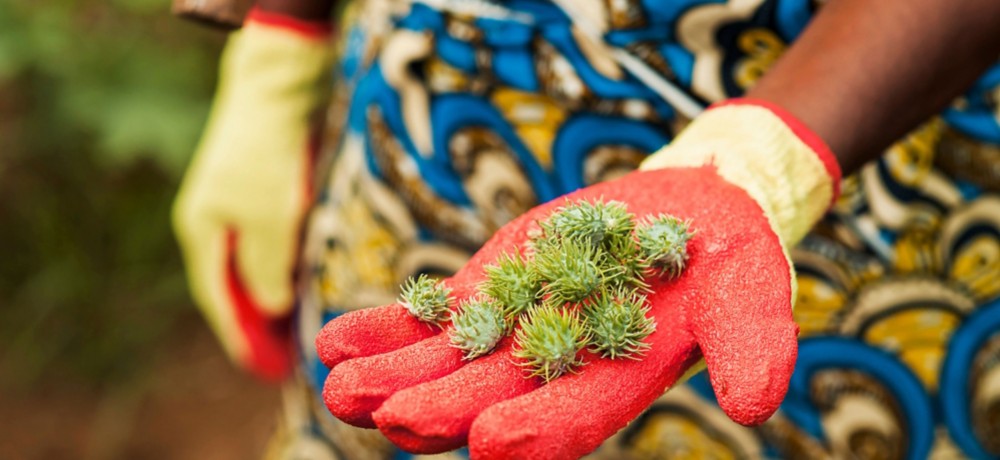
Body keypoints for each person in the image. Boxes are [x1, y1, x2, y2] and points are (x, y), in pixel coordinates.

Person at [173, 0, 1000, 458]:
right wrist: (285, 35)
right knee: (409, 389)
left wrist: (763, 157)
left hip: (855, 139)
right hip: (430, 113)